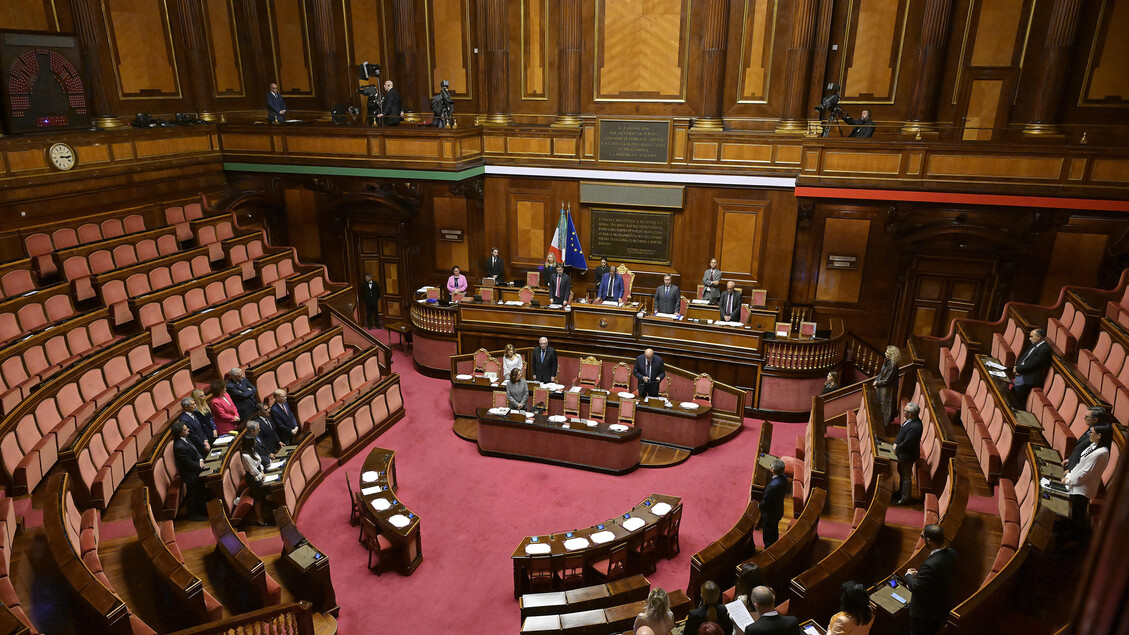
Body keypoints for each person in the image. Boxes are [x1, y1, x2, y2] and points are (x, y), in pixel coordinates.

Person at [1062, 423, 1113, 547]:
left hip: (1083, 489)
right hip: (1077, 483)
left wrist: (1068, 481)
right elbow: (1081, 463)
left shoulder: (1101, 453)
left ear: (1099, 435)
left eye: (1092, 432)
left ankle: (1076, 542)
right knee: (1075, 514)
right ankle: (1071, 535)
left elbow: (1085, 473)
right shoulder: (1094, 445)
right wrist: (1070, 475)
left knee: (1078, 516)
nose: (1090, 434)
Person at [905, 524, 958, 635]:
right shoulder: (952, 554)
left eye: (923, 537)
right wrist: (922, 575)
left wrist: (908, 575)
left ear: (929, 541)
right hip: (941, 607)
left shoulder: (930, 565)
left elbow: (915, 587)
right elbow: (938, 575)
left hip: (924, 615)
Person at [172, 420, 208, 521]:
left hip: (196, 468)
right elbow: (188, 464)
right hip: (190, 475)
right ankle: (193, 515)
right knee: (193, 495)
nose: (188, 429)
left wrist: (201, 460)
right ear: (180, 433)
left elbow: (196, 451)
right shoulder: (179, 447)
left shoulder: (185, 438)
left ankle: (203, 510)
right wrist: (200, 466)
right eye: (185, 429)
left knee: (199, 492)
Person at [1012, 328, 1051, 407]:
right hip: (1023, 372)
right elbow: (1024, 357)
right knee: (1008, 391)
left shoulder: (1045, 349)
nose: (1029, 339)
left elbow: (1033, 364)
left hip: (1030, 378)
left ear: (1039, 337)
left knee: (1015, 394)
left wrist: (1018, 369)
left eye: (1031, 336)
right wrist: (1018, 367)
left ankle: (1017, 408)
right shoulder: (1034, 345)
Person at [894, 402, 923, 505]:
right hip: (903, 453)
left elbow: (907, 442)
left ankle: (905, 498)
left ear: (910, 414)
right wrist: (896, 443)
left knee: (906, 476)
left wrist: (897, 448)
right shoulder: (909, 420)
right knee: (901, 472)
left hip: (908, 455)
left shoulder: (915, 427)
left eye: (905, 411)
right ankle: (900, 492)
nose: (903, 412)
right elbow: (902, 433)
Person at [239, 437, 270, 526]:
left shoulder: (252, 450)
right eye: (254, 441)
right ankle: (259, 518)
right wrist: (262, 476)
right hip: (253, 479)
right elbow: (252, 471)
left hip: (259, 474)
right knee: (258, 498)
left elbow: (259, 463)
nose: (256, 442)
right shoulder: (245, 456)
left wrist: (262, 472)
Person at [759, 459, 788, 549]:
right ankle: (774, 546)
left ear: (773, 470)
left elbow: (766, 503)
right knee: (774, 530)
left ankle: (768, 550)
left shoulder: (772, 486)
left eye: (771, 467)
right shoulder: (784, 478)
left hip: (770, 515)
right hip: (778, 510)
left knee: (768, 535)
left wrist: (758, 506)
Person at [873, 345, 900, 426]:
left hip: (887, 390)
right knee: (881, 406)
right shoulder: (888, 363)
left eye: (887, 352)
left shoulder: (893, 365)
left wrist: (877, 383)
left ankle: (884, 425)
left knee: (885, 407)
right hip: (883, 389)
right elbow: (881, 374)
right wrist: (876, 382)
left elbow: (887, 380)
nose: (885, 353)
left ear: (891, 354)